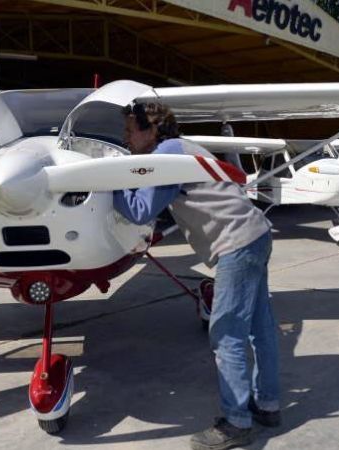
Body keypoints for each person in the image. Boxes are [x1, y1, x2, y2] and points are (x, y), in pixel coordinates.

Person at [112, 102, 280, 450]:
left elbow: (140, 210)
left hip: (237, 242)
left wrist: (104, 182)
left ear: (152, 130)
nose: (125, 138)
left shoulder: (167, 155)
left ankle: (237, 422)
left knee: (226, 333)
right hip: (255, 234)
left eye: (130, 130)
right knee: (260, 328)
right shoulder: (182, 149)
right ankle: (268, 405)